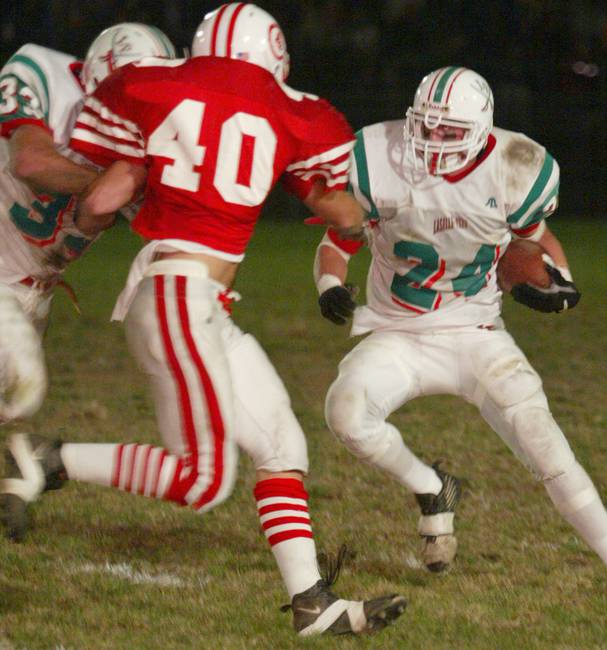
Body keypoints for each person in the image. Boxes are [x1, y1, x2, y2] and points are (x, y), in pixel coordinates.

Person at [1, 4, 406, 637]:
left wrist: (74, 234)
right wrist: (377, 214)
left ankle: (312, 604)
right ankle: (48, 461)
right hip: (181, 300)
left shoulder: (156, 91)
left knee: (282, 446)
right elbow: (341, 211)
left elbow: (103, 198)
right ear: (274, 55)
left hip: (192, 302)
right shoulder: (291, 109)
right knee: (203, 481)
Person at [313, 66, 607, 605]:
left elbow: (537, 244)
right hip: (397, 331)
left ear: (481, 130)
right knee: (344, 413)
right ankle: (432, 487)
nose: (433, 143)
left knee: (544, 442)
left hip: (475, 330)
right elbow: (338, 239)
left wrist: (561, 282)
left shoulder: (518, 167)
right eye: (426, 128)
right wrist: (328, 284)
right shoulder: (372, 156)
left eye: (449, 132)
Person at [0, 23, 176, 424]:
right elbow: (29, 161)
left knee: (11, 403)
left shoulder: (146, 137)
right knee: (21, 393)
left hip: (33, 288)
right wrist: (108, 189)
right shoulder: (43, 71)